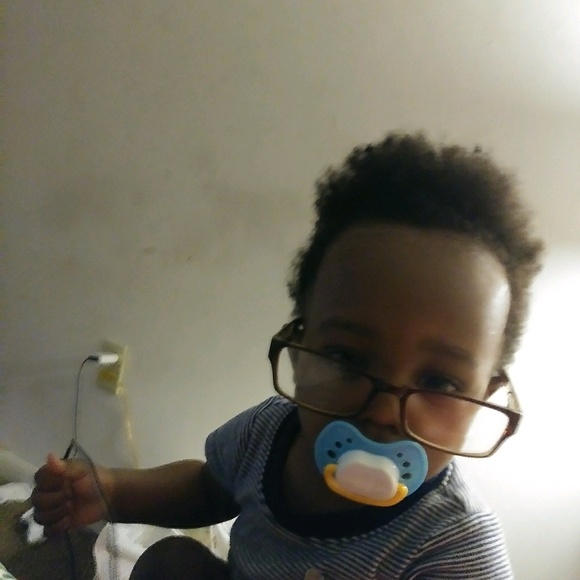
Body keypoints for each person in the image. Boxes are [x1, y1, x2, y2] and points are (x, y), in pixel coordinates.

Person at [32, 132, 543, 579]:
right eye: (348, 358)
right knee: (171, 561)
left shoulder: (454, 544)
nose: (384, 412)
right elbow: (208, 489)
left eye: (440, 382)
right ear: (300, 350)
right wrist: (114, 490)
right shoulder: (268, 433)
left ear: (485, 396)